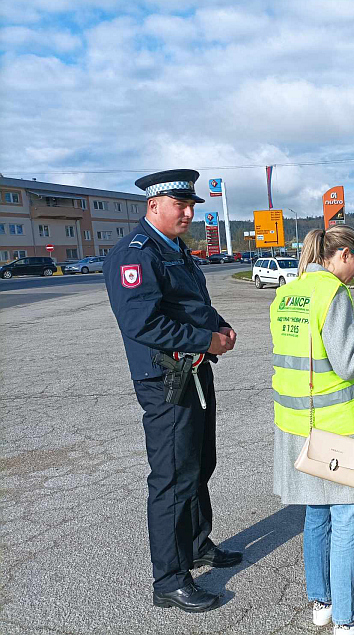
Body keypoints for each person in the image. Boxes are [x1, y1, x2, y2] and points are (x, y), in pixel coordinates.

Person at [103, 169, 242, 613]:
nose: (187, 213)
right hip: (166, 381)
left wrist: (217, 325)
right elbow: (141, 323)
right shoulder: (135, 254)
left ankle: (198, 545)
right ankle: (169, 578)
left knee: (200, 464)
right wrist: (205, 340)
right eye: (179, 206)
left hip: (195, 372)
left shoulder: (174, 250)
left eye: (191, 206)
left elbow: (193, 302)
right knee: (172, 478)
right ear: (153, 206)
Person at [270, 225, 354, 634]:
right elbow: (347, 364)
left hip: (297, 422)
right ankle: (350, 619)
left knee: (317, 513)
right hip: (336, 427)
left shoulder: (288, 293)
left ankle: (322, 604)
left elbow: (315, 353)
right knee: (347, 520)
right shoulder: (334, 295)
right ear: (342, 254)